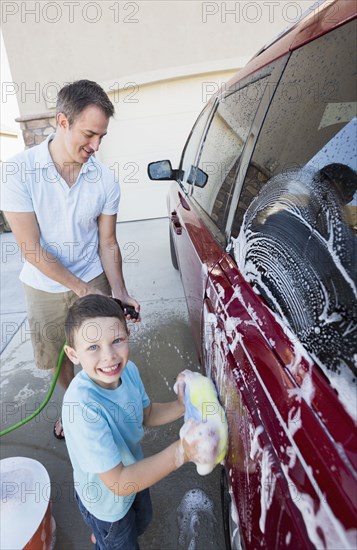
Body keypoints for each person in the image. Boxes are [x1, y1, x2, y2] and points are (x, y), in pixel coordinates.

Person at [1, 80, 139, 439]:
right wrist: (81, 291)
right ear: (62, 122)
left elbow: (107, 243)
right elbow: (30, 248)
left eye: (101, 138)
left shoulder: (104, 180)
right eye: (89, 134)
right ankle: (72, 407)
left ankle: (105, 409)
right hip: (42, 283)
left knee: (103, 351)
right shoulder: (18, 172)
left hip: (92, 274)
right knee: (59, 356)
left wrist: (119, 291)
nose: (95, 146)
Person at [61, 294, 201, 549]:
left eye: (117, 341)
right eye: (93, 347)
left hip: (131, 475)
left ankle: (101, 534)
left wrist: (181, 406)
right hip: (107, 501)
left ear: (128, 335)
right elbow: (118, 483)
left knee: (141, 520)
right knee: (118, 538)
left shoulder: (129, 371)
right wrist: (181, 452)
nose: (109, 356)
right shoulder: (81, 406)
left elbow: (145, 414)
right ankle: (101, 534)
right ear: (73, 354)